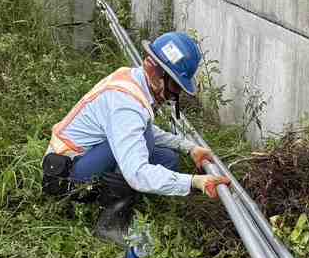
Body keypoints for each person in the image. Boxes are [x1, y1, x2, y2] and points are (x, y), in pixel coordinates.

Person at [42, 31, 231, 241]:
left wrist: (189, 147)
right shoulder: (126, 104)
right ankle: (110, 223)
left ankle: (122, 195)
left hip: (84, 158)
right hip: (68, 175)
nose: (173, 95)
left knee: (168, 159)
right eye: (174, 86)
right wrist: (195, 182)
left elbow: (142, 128)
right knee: (142, 155)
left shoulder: (133, 79)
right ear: (155, 71)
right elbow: (137, 171)